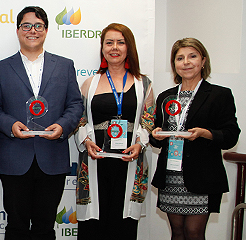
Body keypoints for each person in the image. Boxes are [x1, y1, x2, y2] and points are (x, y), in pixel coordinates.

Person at [0, 6, 83, 240]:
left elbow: (75, 105)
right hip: (14, 157)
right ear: (18, 30)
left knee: (45, 228)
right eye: (27, 25)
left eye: (38, 26)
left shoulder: (65, 65)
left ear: (47, 30)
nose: (33, 30)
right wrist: (10, 125)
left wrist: (62, 126)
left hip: (51, 156)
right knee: (16, 227)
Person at [150, 38, 240, 240]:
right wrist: (155, 135)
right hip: (171, 174)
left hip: (202, 175)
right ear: (174, 64)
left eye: (192, 56)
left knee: (194, 232)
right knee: (178, 232)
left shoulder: (219, 95)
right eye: (180, 58)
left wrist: (205, 133)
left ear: (203, 60)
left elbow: (231, 136)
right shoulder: (166, 96)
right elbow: (158, 135)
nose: (186, 62)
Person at [73, 23, 153, 240]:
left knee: (123, 225)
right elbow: (79, 120)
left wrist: (139, 144)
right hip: (95, 161)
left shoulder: (143, 84)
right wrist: (87, 141)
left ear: (129, 47)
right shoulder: (89, 83)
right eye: (109, 42)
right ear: (103, 48)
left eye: (120, 42)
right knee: (93, 225)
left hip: (129, 162)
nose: (114, 47)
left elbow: (149, 120)